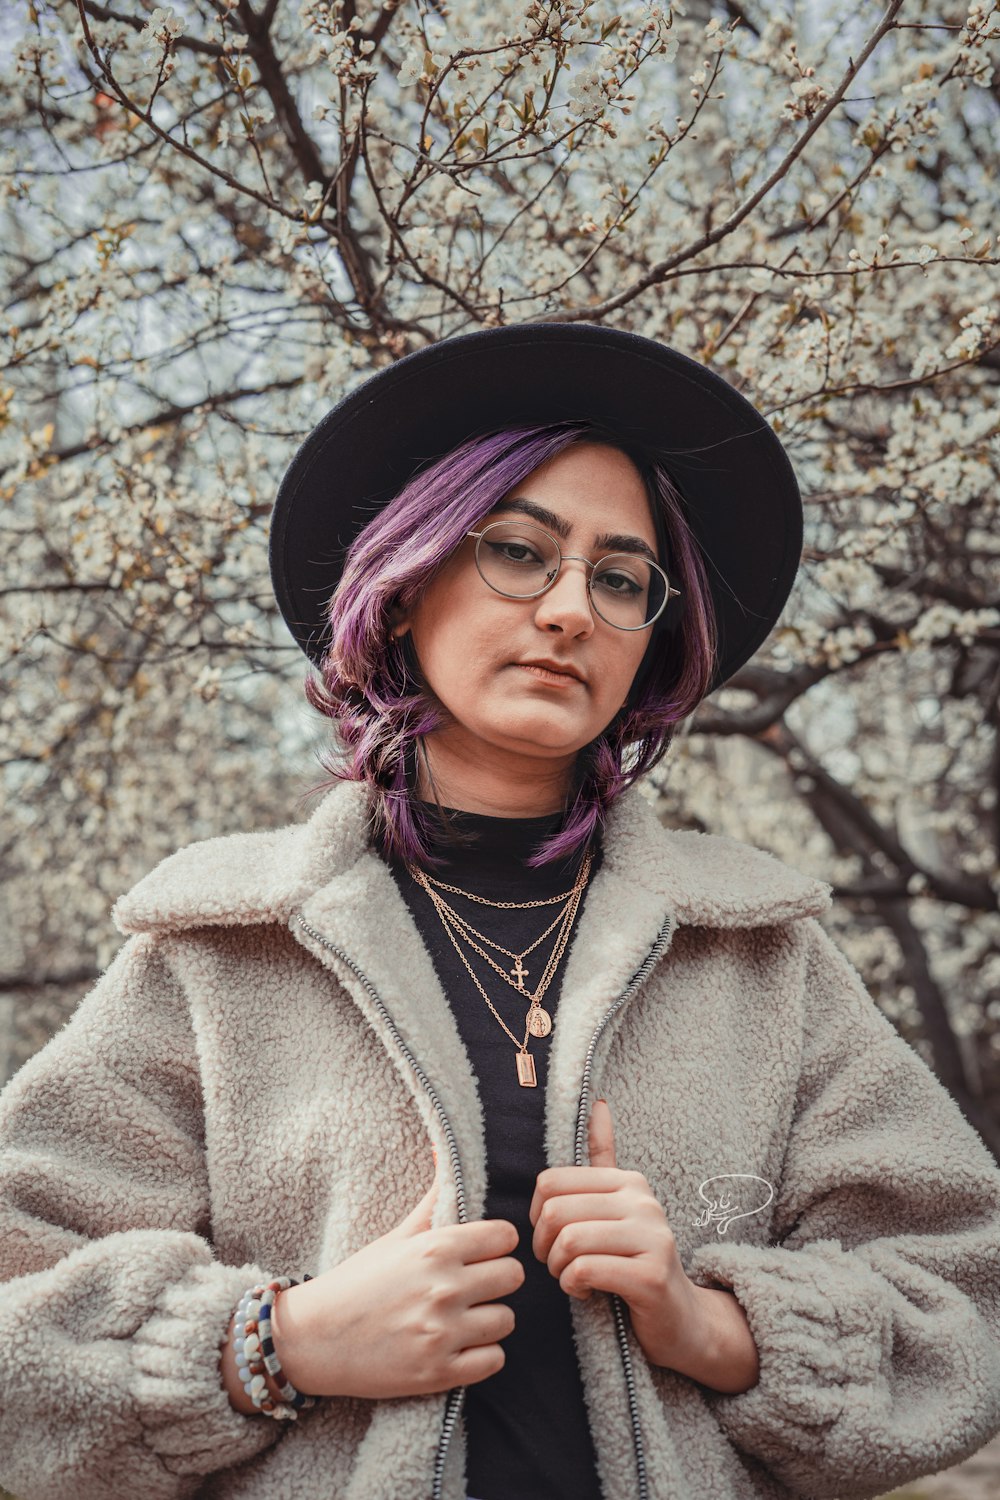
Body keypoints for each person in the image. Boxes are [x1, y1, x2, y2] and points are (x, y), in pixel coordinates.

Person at [1, 322, 999, 1500]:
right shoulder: (221, 950)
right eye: (518, 552)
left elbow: (960, 1296)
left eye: (620, 578)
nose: (571, 609)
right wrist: (282, 1344)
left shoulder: (761, 955)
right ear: (408, 581)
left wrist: (711, 1328)